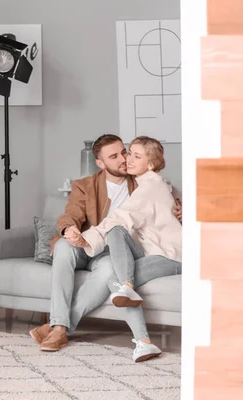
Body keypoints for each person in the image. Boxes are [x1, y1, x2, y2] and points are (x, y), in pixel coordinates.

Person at [28, 134, 182, 357]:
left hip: (112, 251)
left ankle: (58, 328)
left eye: (125, 152)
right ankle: (60, 324)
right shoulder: (86, 185)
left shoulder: (139, 182)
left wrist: (182, 208)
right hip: (84, 245)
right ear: (100, 163)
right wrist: (69, 231)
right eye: (115, 156)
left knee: (112, 271)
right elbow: (70, 215)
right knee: (63, 246)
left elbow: (163, 202)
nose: (123, 159)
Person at [75, 136, 182, 362]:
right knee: (116, 232)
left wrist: (88, 238)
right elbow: (121, 223)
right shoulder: (147, 185)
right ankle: (128, 291)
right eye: (129, 153)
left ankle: (143, 341)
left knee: (114, 278)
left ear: (151, 164)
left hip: (170, 255)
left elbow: (123, 215)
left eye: (136, 156)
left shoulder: (150, 187)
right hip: (153, 250)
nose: (128, 159)